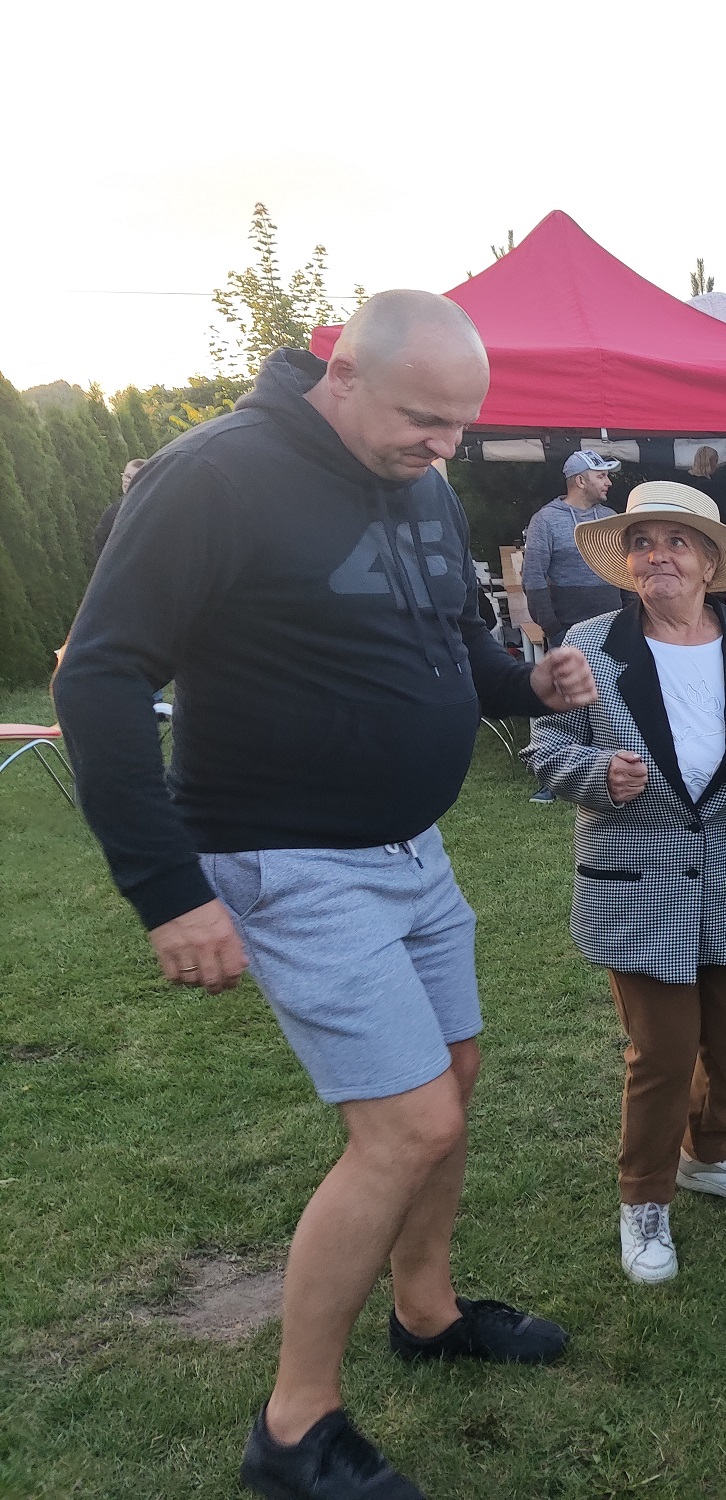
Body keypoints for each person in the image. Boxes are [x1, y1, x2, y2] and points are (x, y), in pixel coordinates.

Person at [53, 290, 601, 1500]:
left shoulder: (423, 482)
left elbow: (452, 642)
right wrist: (168, 890)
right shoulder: (214, 476)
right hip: (285, 854)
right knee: (405, 1128)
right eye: (423, 420)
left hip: (411, 850)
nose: (444, 448)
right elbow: (98, 678)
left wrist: (529, 686)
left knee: (452, 1080)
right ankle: (295, 1429)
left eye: (461, 426)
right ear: (339, 374)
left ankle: (426, 1311)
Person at [527, 482, 726, 1284]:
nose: (658, 556)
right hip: (636, 884)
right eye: (643, 542)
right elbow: (545, 750)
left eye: (676, 541)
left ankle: (710, 1155)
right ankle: (644, 1197)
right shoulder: (588, 645)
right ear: (627, 563)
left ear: (708, 563)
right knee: (661, 1052)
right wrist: (596, 774)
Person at [523, 449, 624, 649]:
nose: (609, 482)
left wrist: (630, 615)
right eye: (601, 476)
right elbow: (533, 579)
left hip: (616, 629)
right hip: (569, 633)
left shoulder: (611, 518)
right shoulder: (545, 520)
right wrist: (553, 630)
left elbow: (625, 568)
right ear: (580, 481)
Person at [91, 457, 148, 560]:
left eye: (135, 478)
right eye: (127, 476)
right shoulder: (114, 511)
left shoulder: (152, 508)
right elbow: (100, 540)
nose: (128, 482)